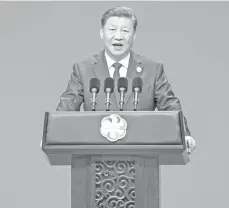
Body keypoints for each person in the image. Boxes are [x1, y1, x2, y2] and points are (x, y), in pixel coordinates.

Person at [56, 6, 196, 153]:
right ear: (101, 33)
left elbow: (170, 105)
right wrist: (53, 134)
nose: (118, 36)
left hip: (141, 157)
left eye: (125, 31)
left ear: (134, 35)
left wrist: (184, 135)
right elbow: (67, 105)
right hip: (94, 157)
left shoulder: (152, 70)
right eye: (112, 30)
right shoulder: (83, 68)